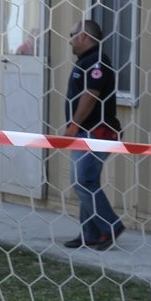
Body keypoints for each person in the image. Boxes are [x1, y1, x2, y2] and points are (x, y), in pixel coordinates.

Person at [62, 19, 125, 250]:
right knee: (84, 181)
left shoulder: (97, 62)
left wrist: (73, 126)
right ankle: (90, 234)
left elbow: (91, 94)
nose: (69, 40)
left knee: (83, 181)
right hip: (86, 132)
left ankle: (111, 226)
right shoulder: (86, 61)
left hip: (98, 132)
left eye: (72, 34)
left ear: (83, 37)